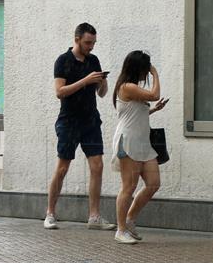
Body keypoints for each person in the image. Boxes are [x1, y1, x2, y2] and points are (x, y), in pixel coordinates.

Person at [44, 23, 115, 231]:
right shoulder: (63, 61)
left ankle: (94, 216)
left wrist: (102, 82)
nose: (91, 46)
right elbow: (59, 92)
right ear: (76, 40)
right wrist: (85, 80)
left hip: (91, 120)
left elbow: (101, 94)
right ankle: (50, 213)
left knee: (97, 166)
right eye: (87, 42)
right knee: (63, 167)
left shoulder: (93, 60)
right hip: (69, 121)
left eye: (93, 42)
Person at [110, 51, 169, 244]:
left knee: (153, 183)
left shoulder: (132, 88)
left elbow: (135, 114)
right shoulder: (127, 87)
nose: (147, 72)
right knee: (129, 186)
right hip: (128, 141)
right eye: (146, 68)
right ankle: (120, 230)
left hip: (143, 142)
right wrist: (156, 74)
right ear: (139, 68)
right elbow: (154, 94)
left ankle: (130, 218)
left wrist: (153, 110)